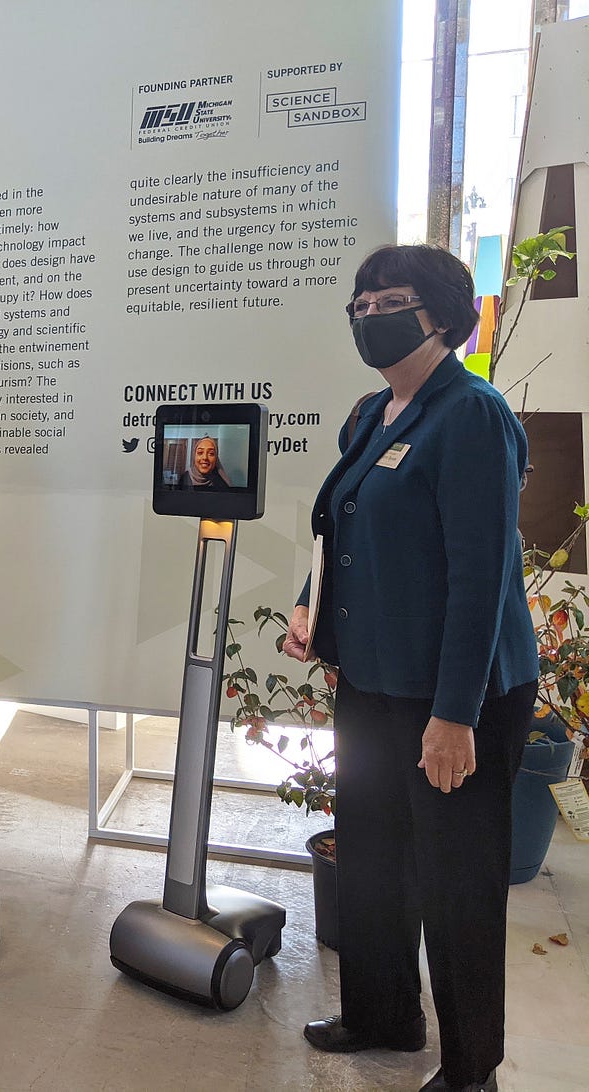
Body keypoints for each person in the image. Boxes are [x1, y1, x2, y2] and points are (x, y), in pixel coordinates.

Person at [285, 245, 536, 1092]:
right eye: (359, 303)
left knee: (456, 883)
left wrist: (454, 715)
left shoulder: (472, 415)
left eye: (388, 299)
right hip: (372, 680)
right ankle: (382, 1013)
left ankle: (472, 1068)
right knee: (374, 857)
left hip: (455, 696)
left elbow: (482, 574)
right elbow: (342, 525)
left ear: (440, 313)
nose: (369, 315)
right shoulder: (371, 413)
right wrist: (310, 609)